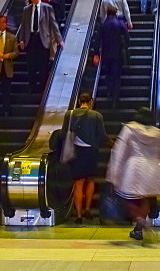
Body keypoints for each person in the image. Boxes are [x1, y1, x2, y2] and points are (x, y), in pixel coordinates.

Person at [106, 107, 160, 241]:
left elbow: (119, 152)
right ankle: (139, 227)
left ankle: (140, 220)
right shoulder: (158, 133)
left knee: (130, 197)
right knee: (146, 198)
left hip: (134, 167)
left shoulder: (129, 130)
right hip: (152, 169)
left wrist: (114, 173)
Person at [64, 92, 108, 223]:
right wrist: (114, 144)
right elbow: (103, 136)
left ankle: (78, 215)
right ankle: (88, 209)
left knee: (78, 182)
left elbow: (62, 133)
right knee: (90, 180)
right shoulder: (96, 115)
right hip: (91, 151)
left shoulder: (70, 114)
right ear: (91, 102)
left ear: (79, 102)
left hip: (76, 151)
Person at [16, 0, 63, 92]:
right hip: (30, 38)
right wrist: (21, 40)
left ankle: (43, 87)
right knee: (31, 64)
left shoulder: (47, 7)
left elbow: (53, 24)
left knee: (43, 64)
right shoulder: (26, 9)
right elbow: (23, 26)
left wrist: (59, 39)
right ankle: (32, 86)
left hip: (43, 39)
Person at [93, 4, 128, 106]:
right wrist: (126, 48)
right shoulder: (120, 23)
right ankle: (115, 98)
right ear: (116, 13)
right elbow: (127, 37)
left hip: (106, 54)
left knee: (108, 74)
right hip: (118, 53)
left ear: (107, 13)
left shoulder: (102, 25)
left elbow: (97, 40)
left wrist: (96, 54)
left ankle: (109, 92)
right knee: (117, 76)